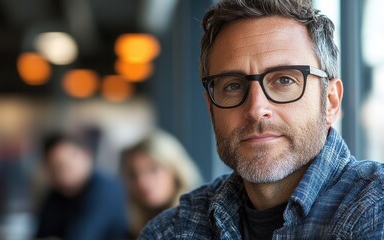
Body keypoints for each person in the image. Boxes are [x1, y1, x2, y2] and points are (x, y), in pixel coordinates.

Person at [140, 0, 384, 239]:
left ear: (330, 101)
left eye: (284, 80)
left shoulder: (376, 208)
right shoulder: (174, 229)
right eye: (233, 86)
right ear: (210, 108)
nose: (256, 109)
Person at [35, 132, 128, 240]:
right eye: (54, 168)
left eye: (66, 165)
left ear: (87, 156)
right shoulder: (56, 195)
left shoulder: (105, 190)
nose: (61, 173)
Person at [120, 130, 202, 239]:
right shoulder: (129, 228)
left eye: (153, 169)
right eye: (134, 174)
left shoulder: (201, 221)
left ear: (175, 170)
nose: (142, 182)